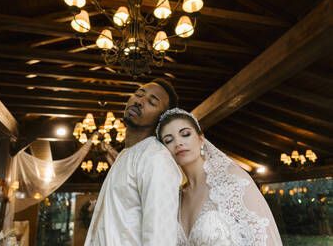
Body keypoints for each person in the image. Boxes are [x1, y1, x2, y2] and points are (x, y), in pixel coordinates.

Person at [156, 108, 283, 246]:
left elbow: (264, 240)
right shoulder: (174, 198)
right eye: (168, 140)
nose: (178, 143)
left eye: (185, 134)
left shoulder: (232, 181)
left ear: (201, 139)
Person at [84, 79, 183, 246]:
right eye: (139, 94)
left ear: (162, 119)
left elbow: (160, 238)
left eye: (152, 102)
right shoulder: (125, 154)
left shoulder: (156, 158)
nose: (139, 101)